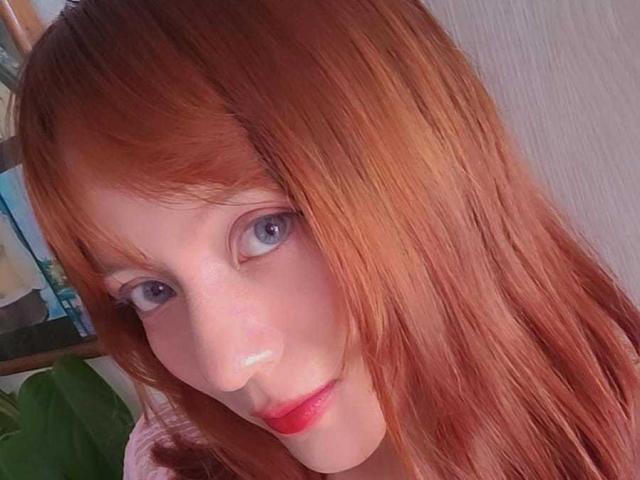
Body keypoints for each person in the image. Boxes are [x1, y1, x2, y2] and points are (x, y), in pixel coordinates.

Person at [13, 0, 640, 478]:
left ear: (427, 167)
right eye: (151, 290)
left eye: (267, 229)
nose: (228, 366)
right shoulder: (172, 460)